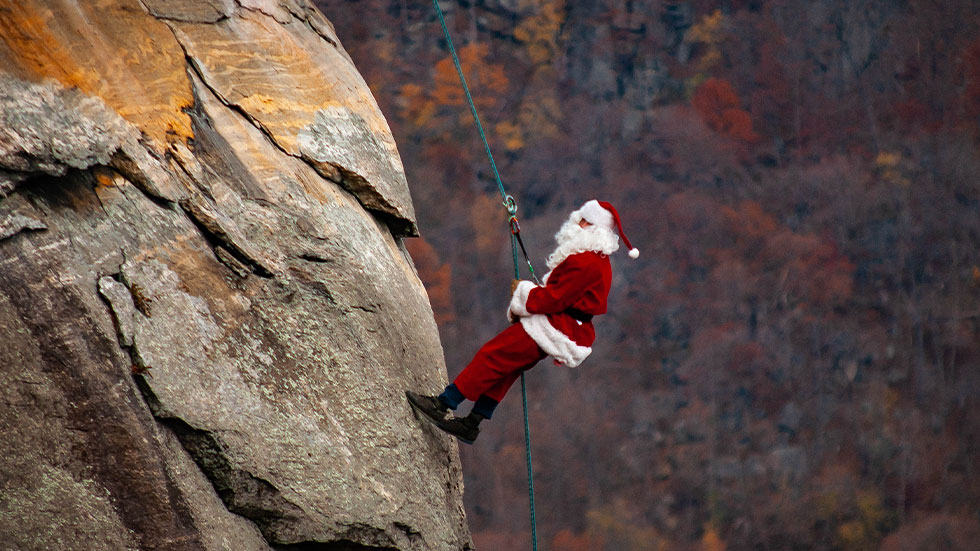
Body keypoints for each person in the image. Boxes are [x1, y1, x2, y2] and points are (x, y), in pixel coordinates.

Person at [407, 200, 638, 444]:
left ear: (593, 228)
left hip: (553, 326)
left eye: (583, 221)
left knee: (492, 356)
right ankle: (472, 422)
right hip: (563, 326)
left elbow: (554, 299)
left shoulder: (586, 262)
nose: (576, 224)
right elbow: (561, 297)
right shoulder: (598, 261)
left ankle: (443, 403)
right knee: (506, 369)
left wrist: (523, 293)